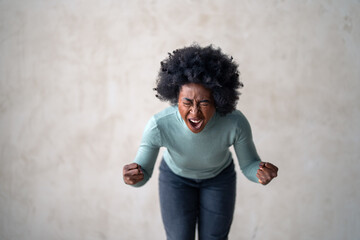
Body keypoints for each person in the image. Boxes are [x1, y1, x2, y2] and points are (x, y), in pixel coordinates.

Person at [123, 44, 278, 240]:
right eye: (187, 102)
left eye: (204, 103)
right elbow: (143, 172)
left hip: (219, 180)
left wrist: (260, 173)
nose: (195, 113)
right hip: (175, 180)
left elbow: (249, 165)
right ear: (175, 99)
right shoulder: (159, 125)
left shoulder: (235, 123)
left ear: (219, 101)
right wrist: (133, 178)